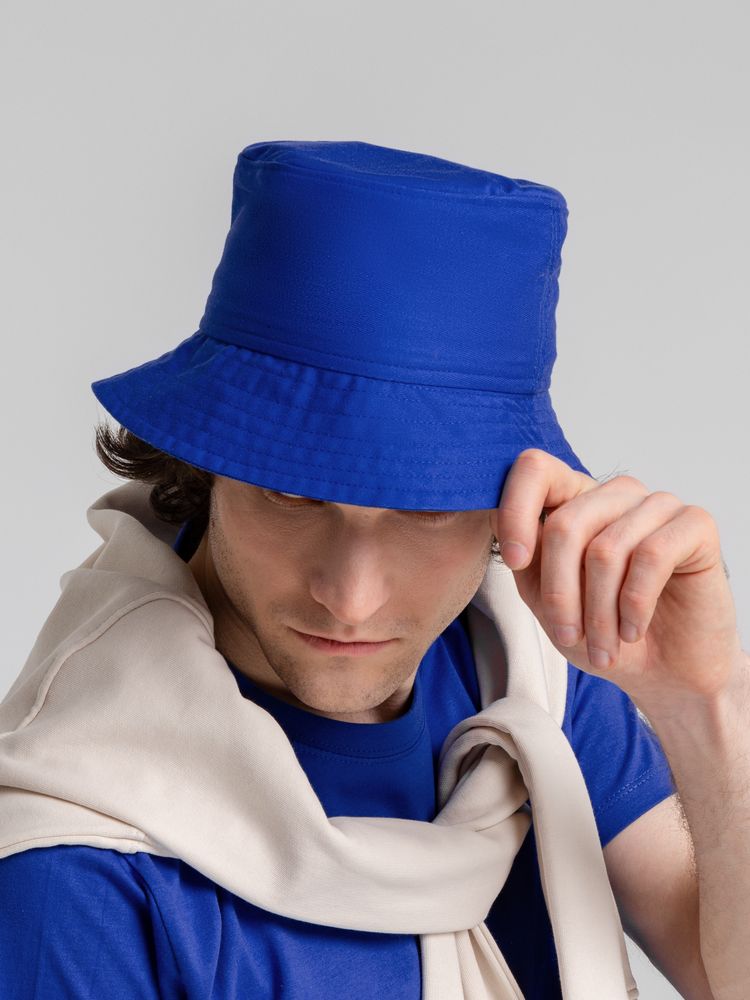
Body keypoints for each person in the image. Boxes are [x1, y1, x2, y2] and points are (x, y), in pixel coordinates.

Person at [0, 139, 741, 999]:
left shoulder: (524, 672)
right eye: (292, 494)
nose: (350, 599)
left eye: (424, 511)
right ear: (205, 464)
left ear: (514, 502)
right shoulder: (75, 874)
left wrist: (705, 703)